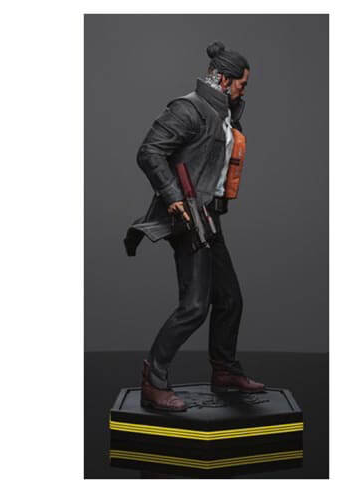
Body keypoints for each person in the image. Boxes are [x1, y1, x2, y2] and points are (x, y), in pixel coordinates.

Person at [125, 41, 265, 412]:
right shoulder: (189, 109)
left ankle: (224, 370)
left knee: (230, 299)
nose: (243, 90)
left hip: (209, 217)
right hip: (187, 217)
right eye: (241, 84)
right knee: (194, 307)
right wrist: (172, 196)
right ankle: (153, 382)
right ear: (224, 79)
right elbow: (150, 151)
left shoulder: (224, 114)